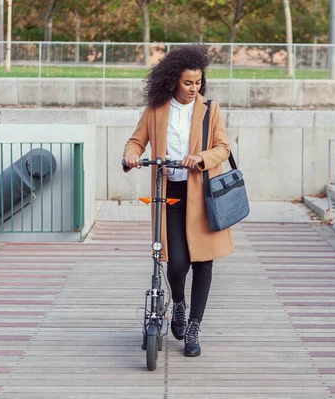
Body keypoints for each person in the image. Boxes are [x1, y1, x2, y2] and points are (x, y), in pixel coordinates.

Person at [122, 45, 235, 357]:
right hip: (169, 194)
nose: (193, 89)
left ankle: (193, 328)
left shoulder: (210, 110)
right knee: (177, 262)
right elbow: (136, 139)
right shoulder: (156, 109)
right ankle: (180, 302)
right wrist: (132, 153)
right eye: (187, 83)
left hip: (202, 196)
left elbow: (223, 148)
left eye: (198, 83)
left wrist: (200, 156)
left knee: (204, 263)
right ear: (173, 80)